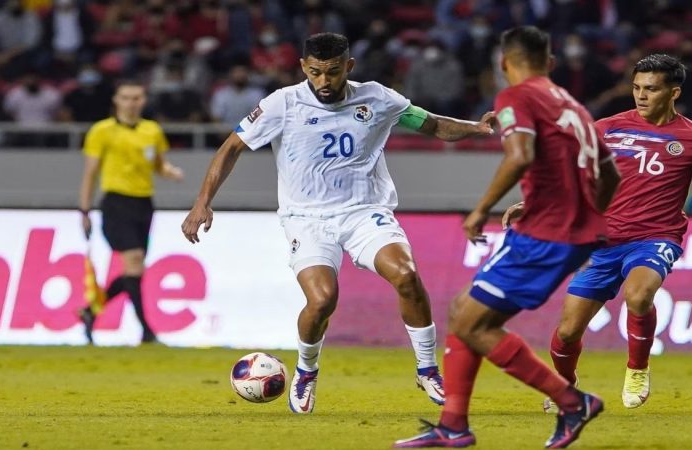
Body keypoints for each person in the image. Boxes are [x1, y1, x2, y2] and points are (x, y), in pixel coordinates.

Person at [181, 32, 495, 414]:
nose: (323, 82)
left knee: (407, 276)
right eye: (315, 73)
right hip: (307, 218)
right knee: (322, 299)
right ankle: (307, 371)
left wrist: (476, 128)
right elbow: (232, 146)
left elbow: (431, 124)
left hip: (365, 212)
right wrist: (202, 203)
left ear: (349, 66)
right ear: (303, 67)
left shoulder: (378, 98)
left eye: (332, 73)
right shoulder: (283, 104)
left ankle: (427, 369)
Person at [394, 26, 621, 449]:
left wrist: (482, 209)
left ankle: (572, 402)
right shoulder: (573, 106)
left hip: (547, 234)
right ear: (551, 63)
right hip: (565, 230)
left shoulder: (517, 96)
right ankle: (454, 426)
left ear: (503, 64)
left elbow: (520, 155)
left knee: (470, 322)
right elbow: (611, 174)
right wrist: (588, 215)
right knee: (465, 312)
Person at [543, 54, 692, 414]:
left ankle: (637, 369)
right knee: (568, 331)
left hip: (656, 236)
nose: (641, 95)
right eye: (637, 87)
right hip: (603, 242)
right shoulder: (606, 128)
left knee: (638, 295)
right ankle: (566, 384)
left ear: (674, 92)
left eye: (651, 89)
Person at [78, 81, 184, 345]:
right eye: (126, 97)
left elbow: (158, 165)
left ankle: (90, 311)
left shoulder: (152, 131)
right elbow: (90, 173)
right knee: (134, 260)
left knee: (135, 272)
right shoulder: (101, 131)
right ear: (116, 100)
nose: (131, 102)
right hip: (115, 202)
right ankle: (147, 332)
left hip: (144, 203)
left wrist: (170, 172)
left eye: (136, 98)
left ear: (143, 101)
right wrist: (84, 209)